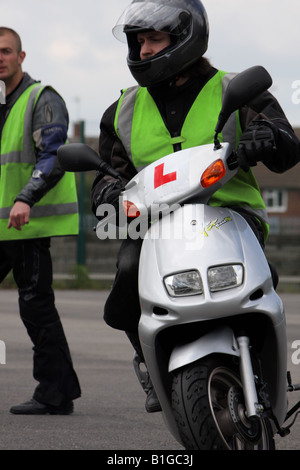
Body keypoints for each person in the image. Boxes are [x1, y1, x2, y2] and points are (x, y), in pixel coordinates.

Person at [90, 0, 300, 412]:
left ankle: (265, 360)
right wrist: (108, 196)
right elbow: (107, 176)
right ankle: (149, 360)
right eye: (138, 42)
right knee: (128, 275)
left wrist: (267, 137)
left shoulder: (234, 88)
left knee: (258, 280)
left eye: (154, 39)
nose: (144, 50)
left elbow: (286, 143)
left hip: (231, 216)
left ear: (185, 38)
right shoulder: (121, 112)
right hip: (157, 226)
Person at [0, 27, 81, 414]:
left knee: (35, 304)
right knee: (36, 305)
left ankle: (55, 392)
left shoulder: (40, 98)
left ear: (21, 56)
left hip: (27, 224)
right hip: (4, 225)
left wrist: (25, 197)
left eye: (6, 51)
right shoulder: (2, 104)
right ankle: (58, 389)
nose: (0, 58)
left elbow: (53, 155)